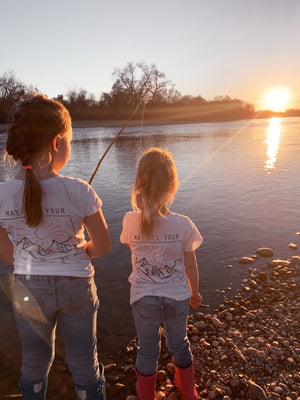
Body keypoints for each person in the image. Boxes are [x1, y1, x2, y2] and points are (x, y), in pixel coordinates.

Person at [0, 95, 110, 400]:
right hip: (76, 287)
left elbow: (5, 251)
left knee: (35, 362)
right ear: (56, 142)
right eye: (70, 142)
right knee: (84, 365)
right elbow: (101, 245)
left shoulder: (2, 194)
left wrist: (29, 258)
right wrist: (82, 251)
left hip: (28, 287)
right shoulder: (80, 191)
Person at [120, 147, 203, 400]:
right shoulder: (183, 224)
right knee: (179, 343)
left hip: (144, 298)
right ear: (171, 188)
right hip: (178, 297)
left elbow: (127, 243)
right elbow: (191, 262)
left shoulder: (128, 221)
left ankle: (146, 393)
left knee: (147, 349)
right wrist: (195, 291)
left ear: (138, 186)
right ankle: (188, 391)